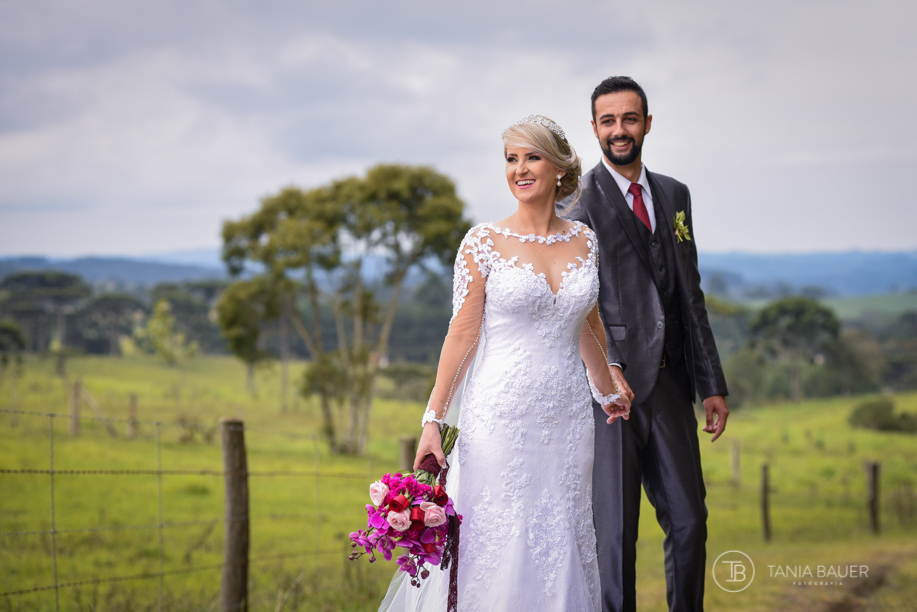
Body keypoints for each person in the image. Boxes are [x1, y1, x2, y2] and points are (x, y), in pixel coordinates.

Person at [378, 115, 633, 612]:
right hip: (499, 418)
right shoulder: (483, 243)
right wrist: (433, 421)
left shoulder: (584, 241)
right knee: (499, 537)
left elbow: (587, 324)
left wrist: (607, 386)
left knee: (561, 529)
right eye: (511, 159)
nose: (519, 169)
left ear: (559, 168)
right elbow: (461, 335)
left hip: (567, 420)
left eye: (532, 157)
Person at [562, 76, 730, 612]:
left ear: (647, 124)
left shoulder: (675, 195)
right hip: (610, 392)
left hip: (674, 384)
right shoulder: (577, 202)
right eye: (607, 121)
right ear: (594, 128)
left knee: (689, 521)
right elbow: (576, 305)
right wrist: (605, 370)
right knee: (615, 536)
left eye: (629, 119)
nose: (619, 130)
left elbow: (690, 295)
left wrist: (711, 384)